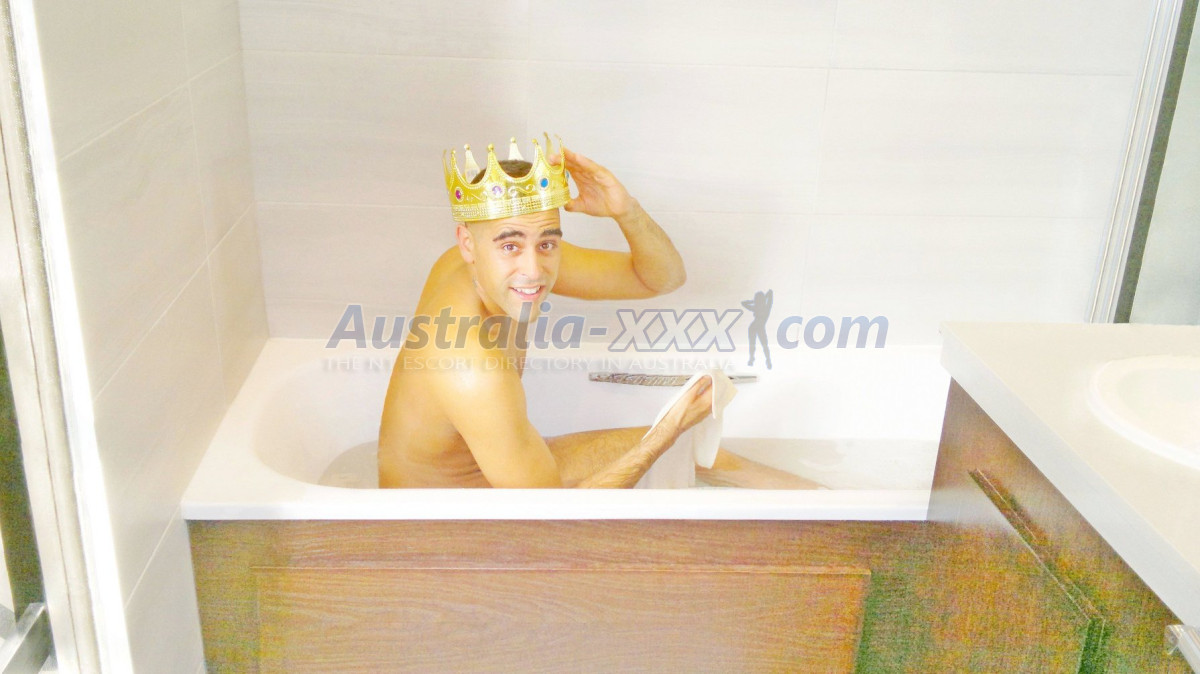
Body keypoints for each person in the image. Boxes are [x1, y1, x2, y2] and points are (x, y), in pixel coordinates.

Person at [377, 137, 819, 489]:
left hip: (497, 480)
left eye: (547, 243)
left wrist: (626, 212)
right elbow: (553, 522)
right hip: (445, 524)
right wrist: (666, 433)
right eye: (510, 245)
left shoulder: (496, 264)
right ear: (467, 244)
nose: (533, 270)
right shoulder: (471, 367)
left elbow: (660, 278)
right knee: (683, 446)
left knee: (703, 454)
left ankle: (833, 512)